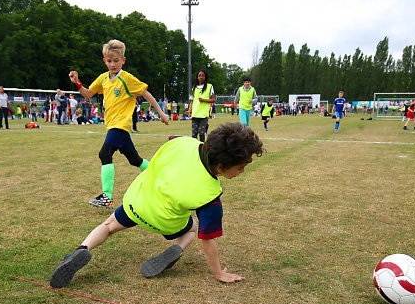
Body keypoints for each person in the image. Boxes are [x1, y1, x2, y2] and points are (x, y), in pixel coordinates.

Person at [49, 122, 264, 288]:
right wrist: (219, 273)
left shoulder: (183, 142)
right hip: (164, 221)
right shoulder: (211, 197)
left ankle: (82, 249)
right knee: (192, 230)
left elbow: (172, 140)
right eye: (241, 167)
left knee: (108, 226)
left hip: (137, 201)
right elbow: (207, 241)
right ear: (220, 165)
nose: (242, 172)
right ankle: (176, 248)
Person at [68, 39, 169, 208]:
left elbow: (146, 93)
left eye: (116, 61)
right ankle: (161, 175)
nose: (112, 64)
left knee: (104, 154)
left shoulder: (127, 79)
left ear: (123, 60)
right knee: (134, 159)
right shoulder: (103, 79)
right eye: (109, 61)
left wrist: (161, 112)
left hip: (121, 125)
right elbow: (87, 94)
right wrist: (77, 82)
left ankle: (107, 196)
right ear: (104, 61)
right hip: (112, 124)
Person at [188, 70, 215, 142]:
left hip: (203, 115)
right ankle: (194, 150)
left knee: (201, 133)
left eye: (203, 75)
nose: (201, 77)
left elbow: (213, 99)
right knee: (194, 134)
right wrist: (189, 111)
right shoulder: (194, 88)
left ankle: (202, 149)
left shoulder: (209, 87)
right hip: (195, 114)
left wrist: (204, 100)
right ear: (197, 77)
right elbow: (192, 101)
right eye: (199, 76)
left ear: (205, 77)